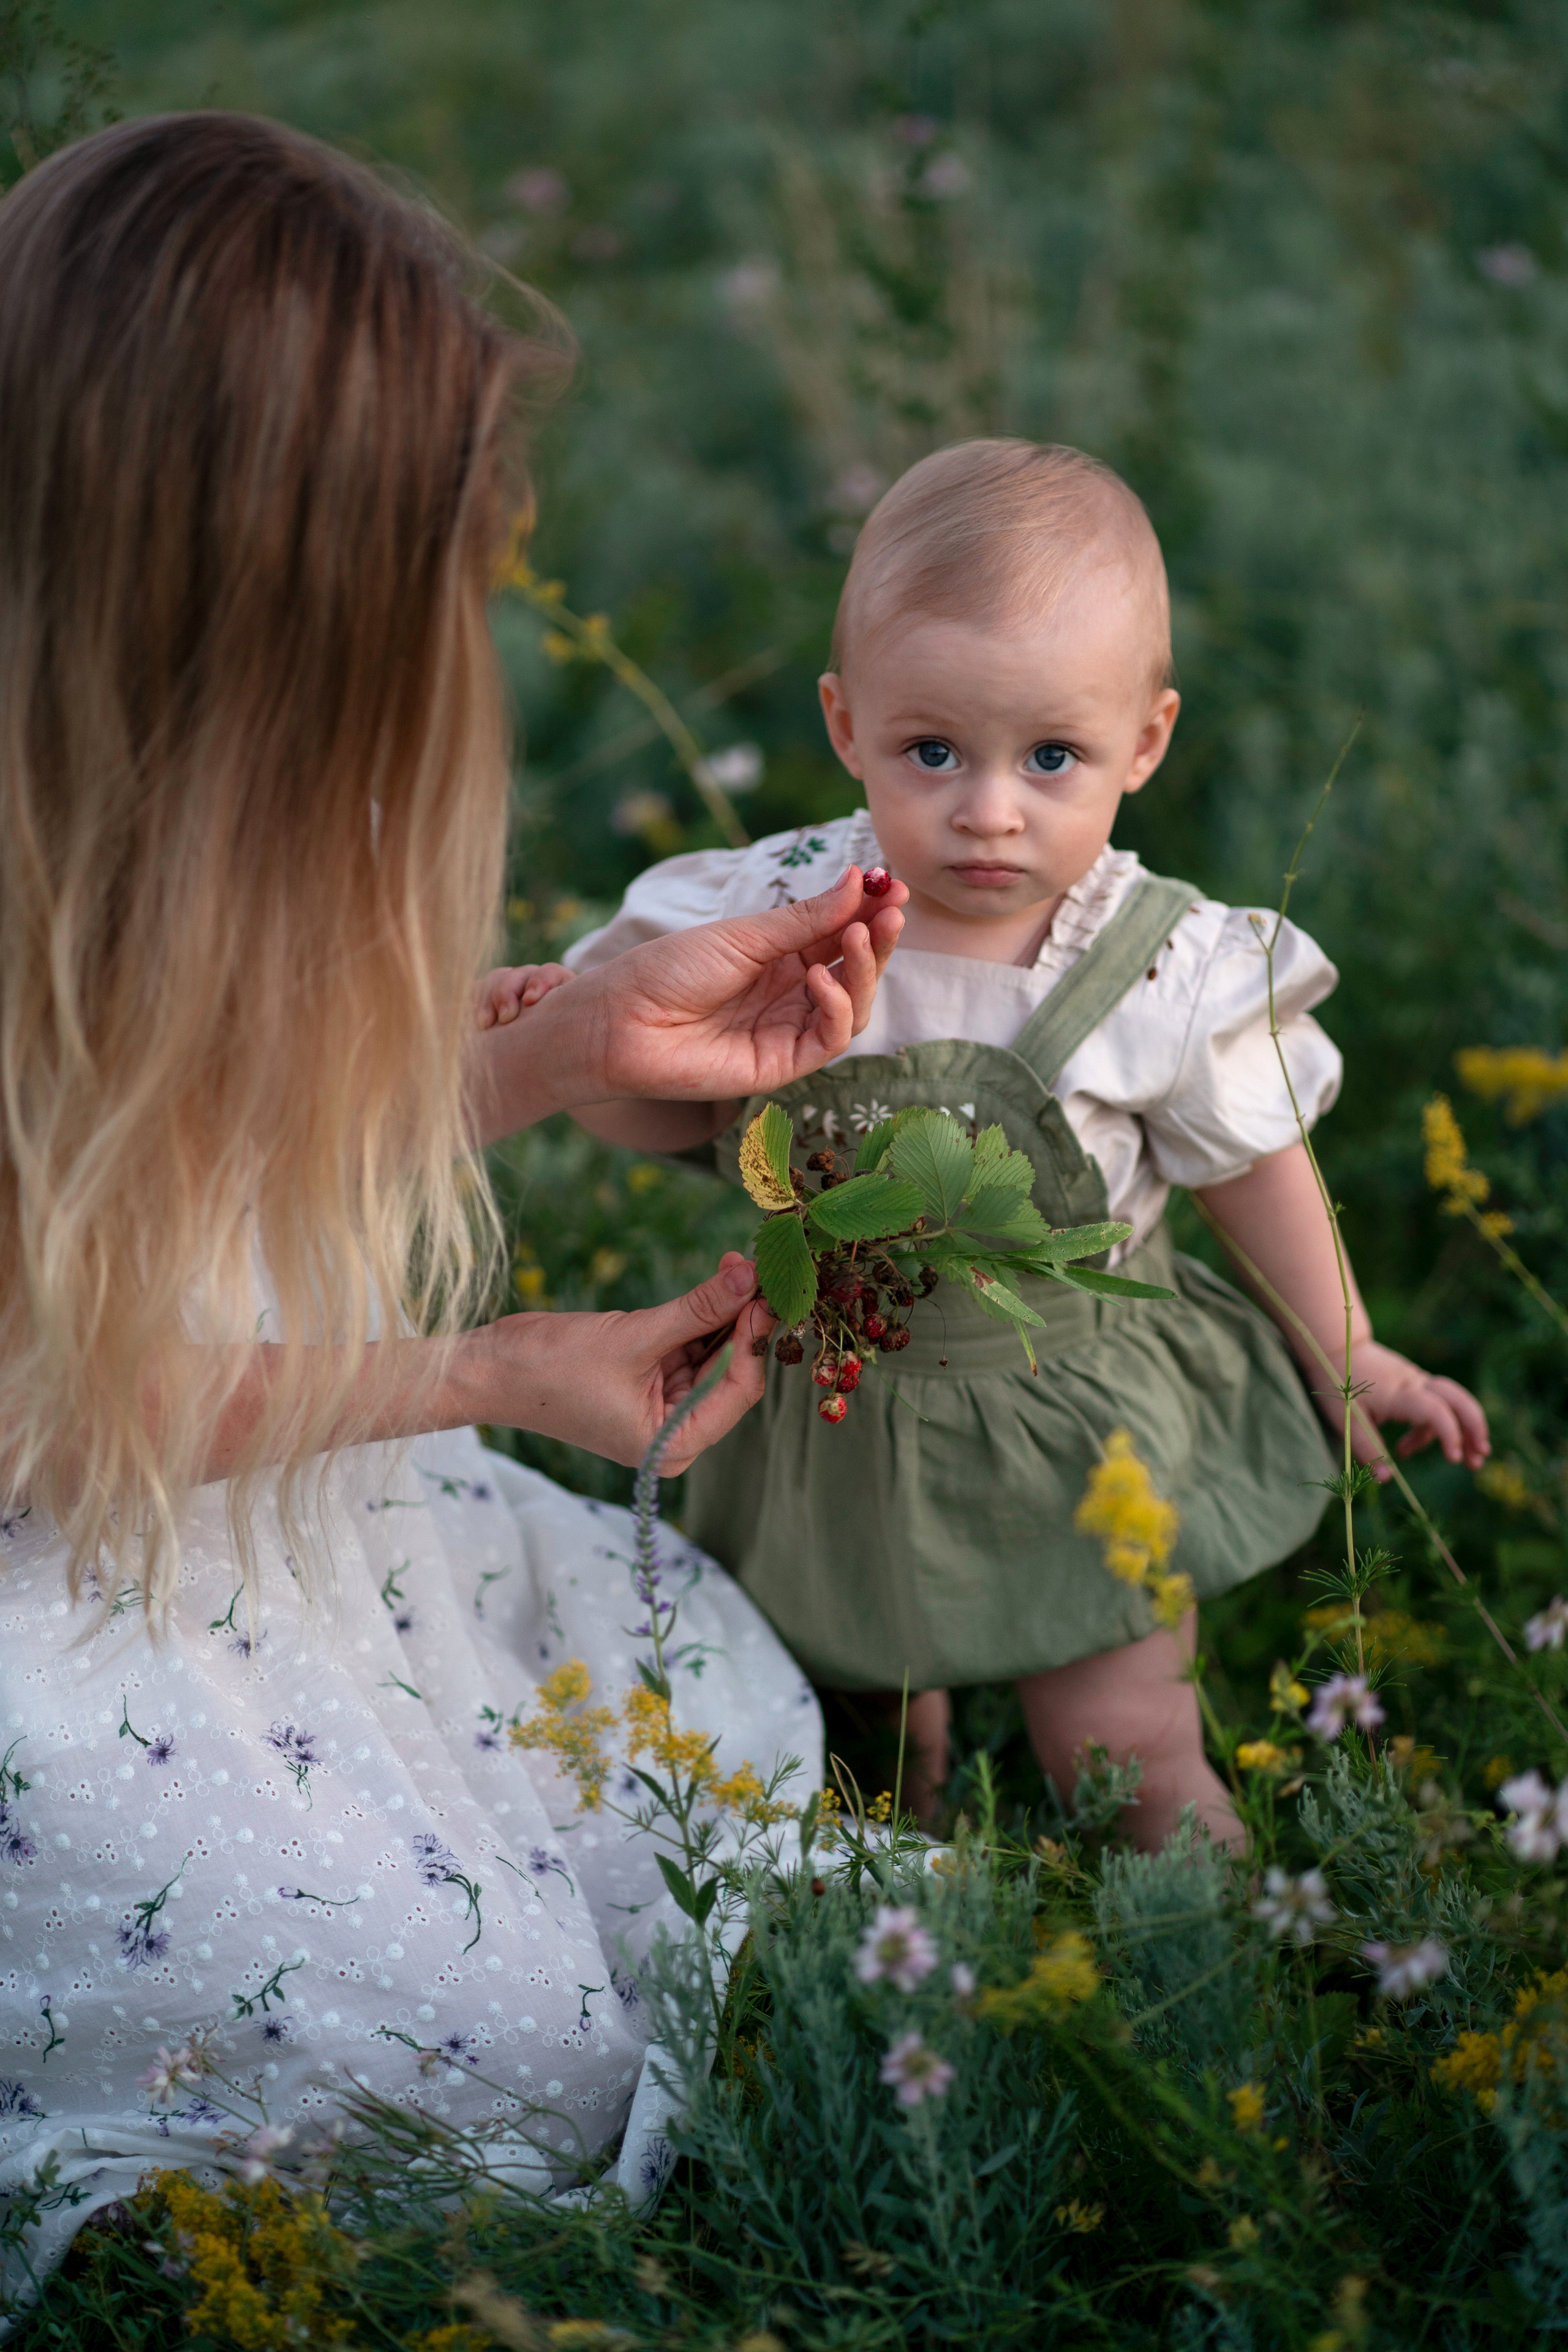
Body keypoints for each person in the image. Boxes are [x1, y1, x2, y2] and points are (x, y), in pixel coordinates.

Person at [0, 113, 905, 2289]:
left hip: (249, 1520)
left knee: (711, 1737)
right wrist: (480, 1368)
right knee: (479, 2051)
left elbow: (173, 1180)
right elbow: (53, 1405)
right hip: (61, 1568)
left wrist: (565, 1049)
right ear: (252, 635)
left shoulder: (123, 836)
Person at [554, 439, 1490, 1852]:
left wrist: (1346, 1347)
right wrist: (580, 1053)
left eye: (1051, 757)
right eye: (930, 751)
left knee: (1118, 1742)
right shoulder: (770, 915)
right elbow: (663, 1112)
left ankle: (1203, 1981)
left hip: (1068, 1412)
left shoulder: (1156, 969)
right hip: (830, 1401)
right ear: (844, 723)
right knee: (832, 1718)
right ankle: (885, 1913)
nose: (987, 809)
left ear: (1147, 741)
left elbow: (1251, 1171)